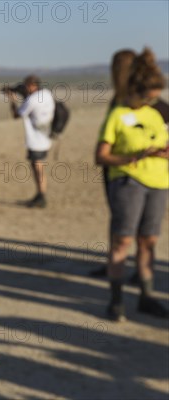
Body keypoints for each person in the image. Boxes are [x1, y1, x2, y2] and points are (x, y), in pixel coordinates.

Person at [95, 48, 169, 322]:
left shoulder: (156, 113)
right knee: (122, 240)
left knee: (149, 240)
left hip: (159, 183)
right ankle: (116, 302)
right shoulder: (118, 112)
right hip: (129, 182)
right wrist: (135, 157)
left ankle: (147, 296)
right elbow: (101, 155)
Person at [6, 75, 55, 208]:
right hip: (46, 136)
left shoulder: (32, 100)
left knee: (37, 166)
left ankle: (41, 195)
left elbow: (17, 115)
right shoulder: (46, 94)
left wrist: (12, 100)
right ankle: (40, 194)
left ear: (33, 86)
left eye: (27, 85)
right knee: (39, 166)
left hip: (36, 140)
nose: (25, 88)